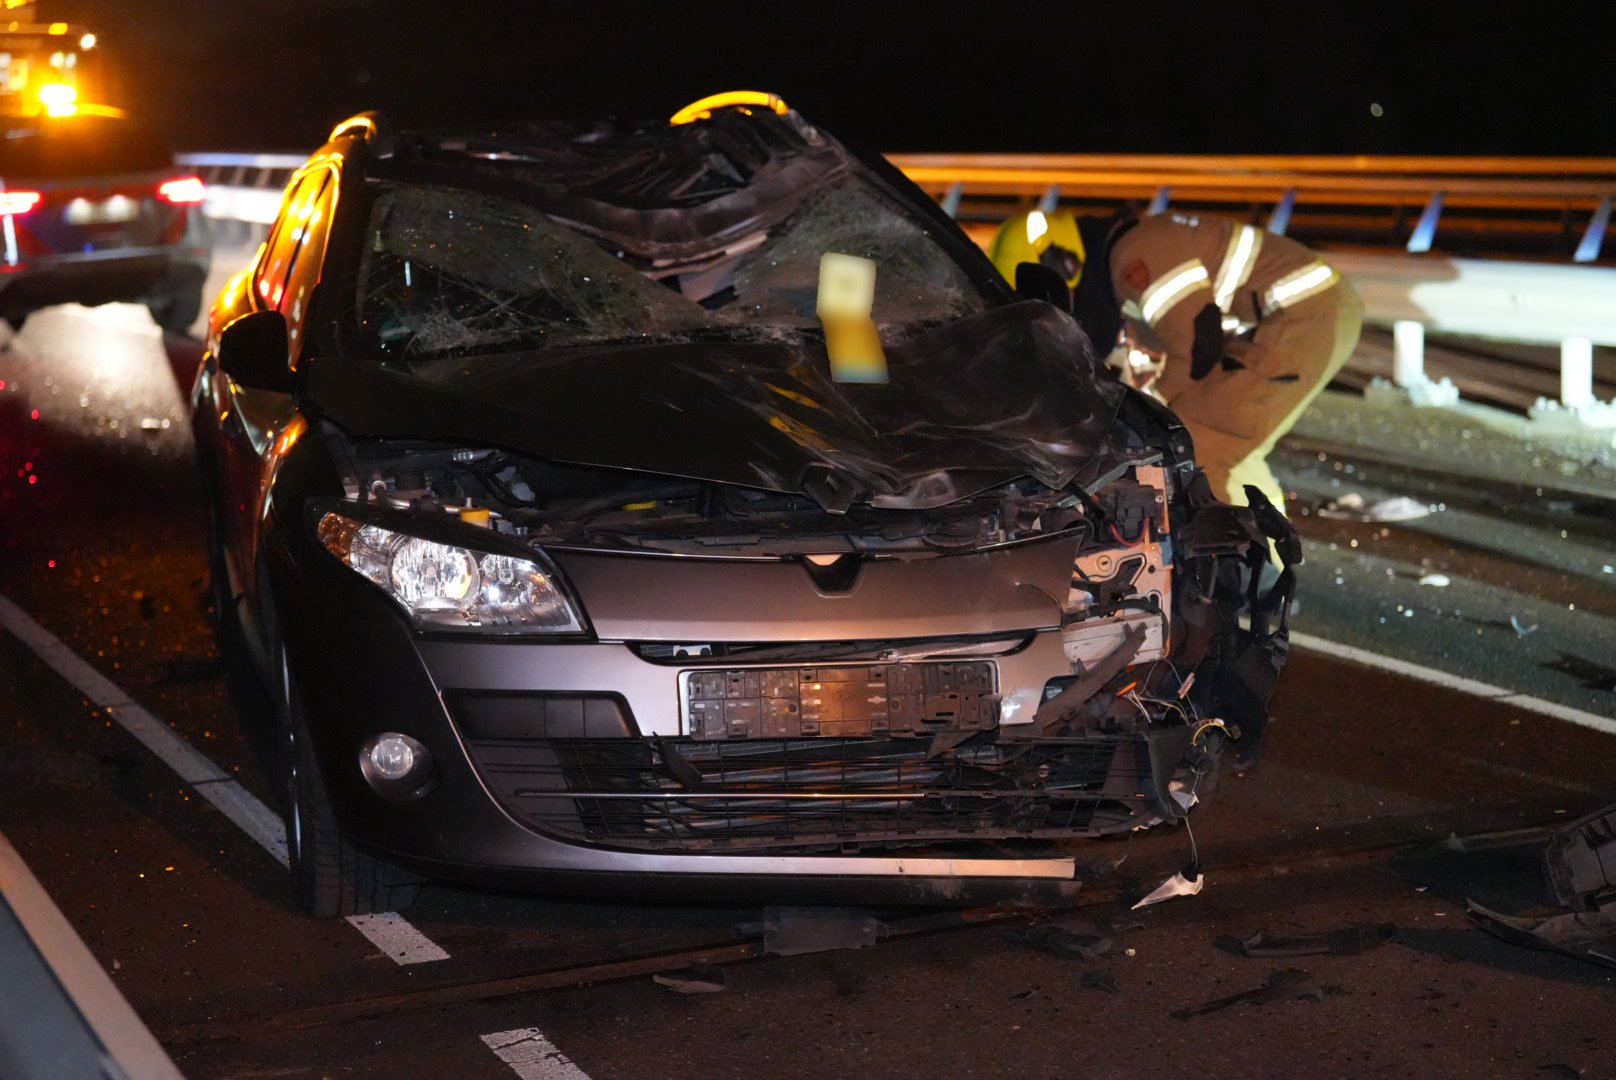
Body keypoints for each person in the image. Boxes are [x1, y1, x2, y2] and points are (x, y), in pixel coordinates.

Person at [990, 208, 1363, 515]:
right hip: (1302, 318)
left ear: (1065, 261)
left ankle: (1240, 573)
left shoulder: (1133, 258)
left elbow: (1197, 346)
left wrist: (1154, 413)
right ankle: (1268, 562)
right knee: (1229, 445)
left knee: (1200, 446)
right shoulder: (1129, 252)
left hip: (1298, 319)